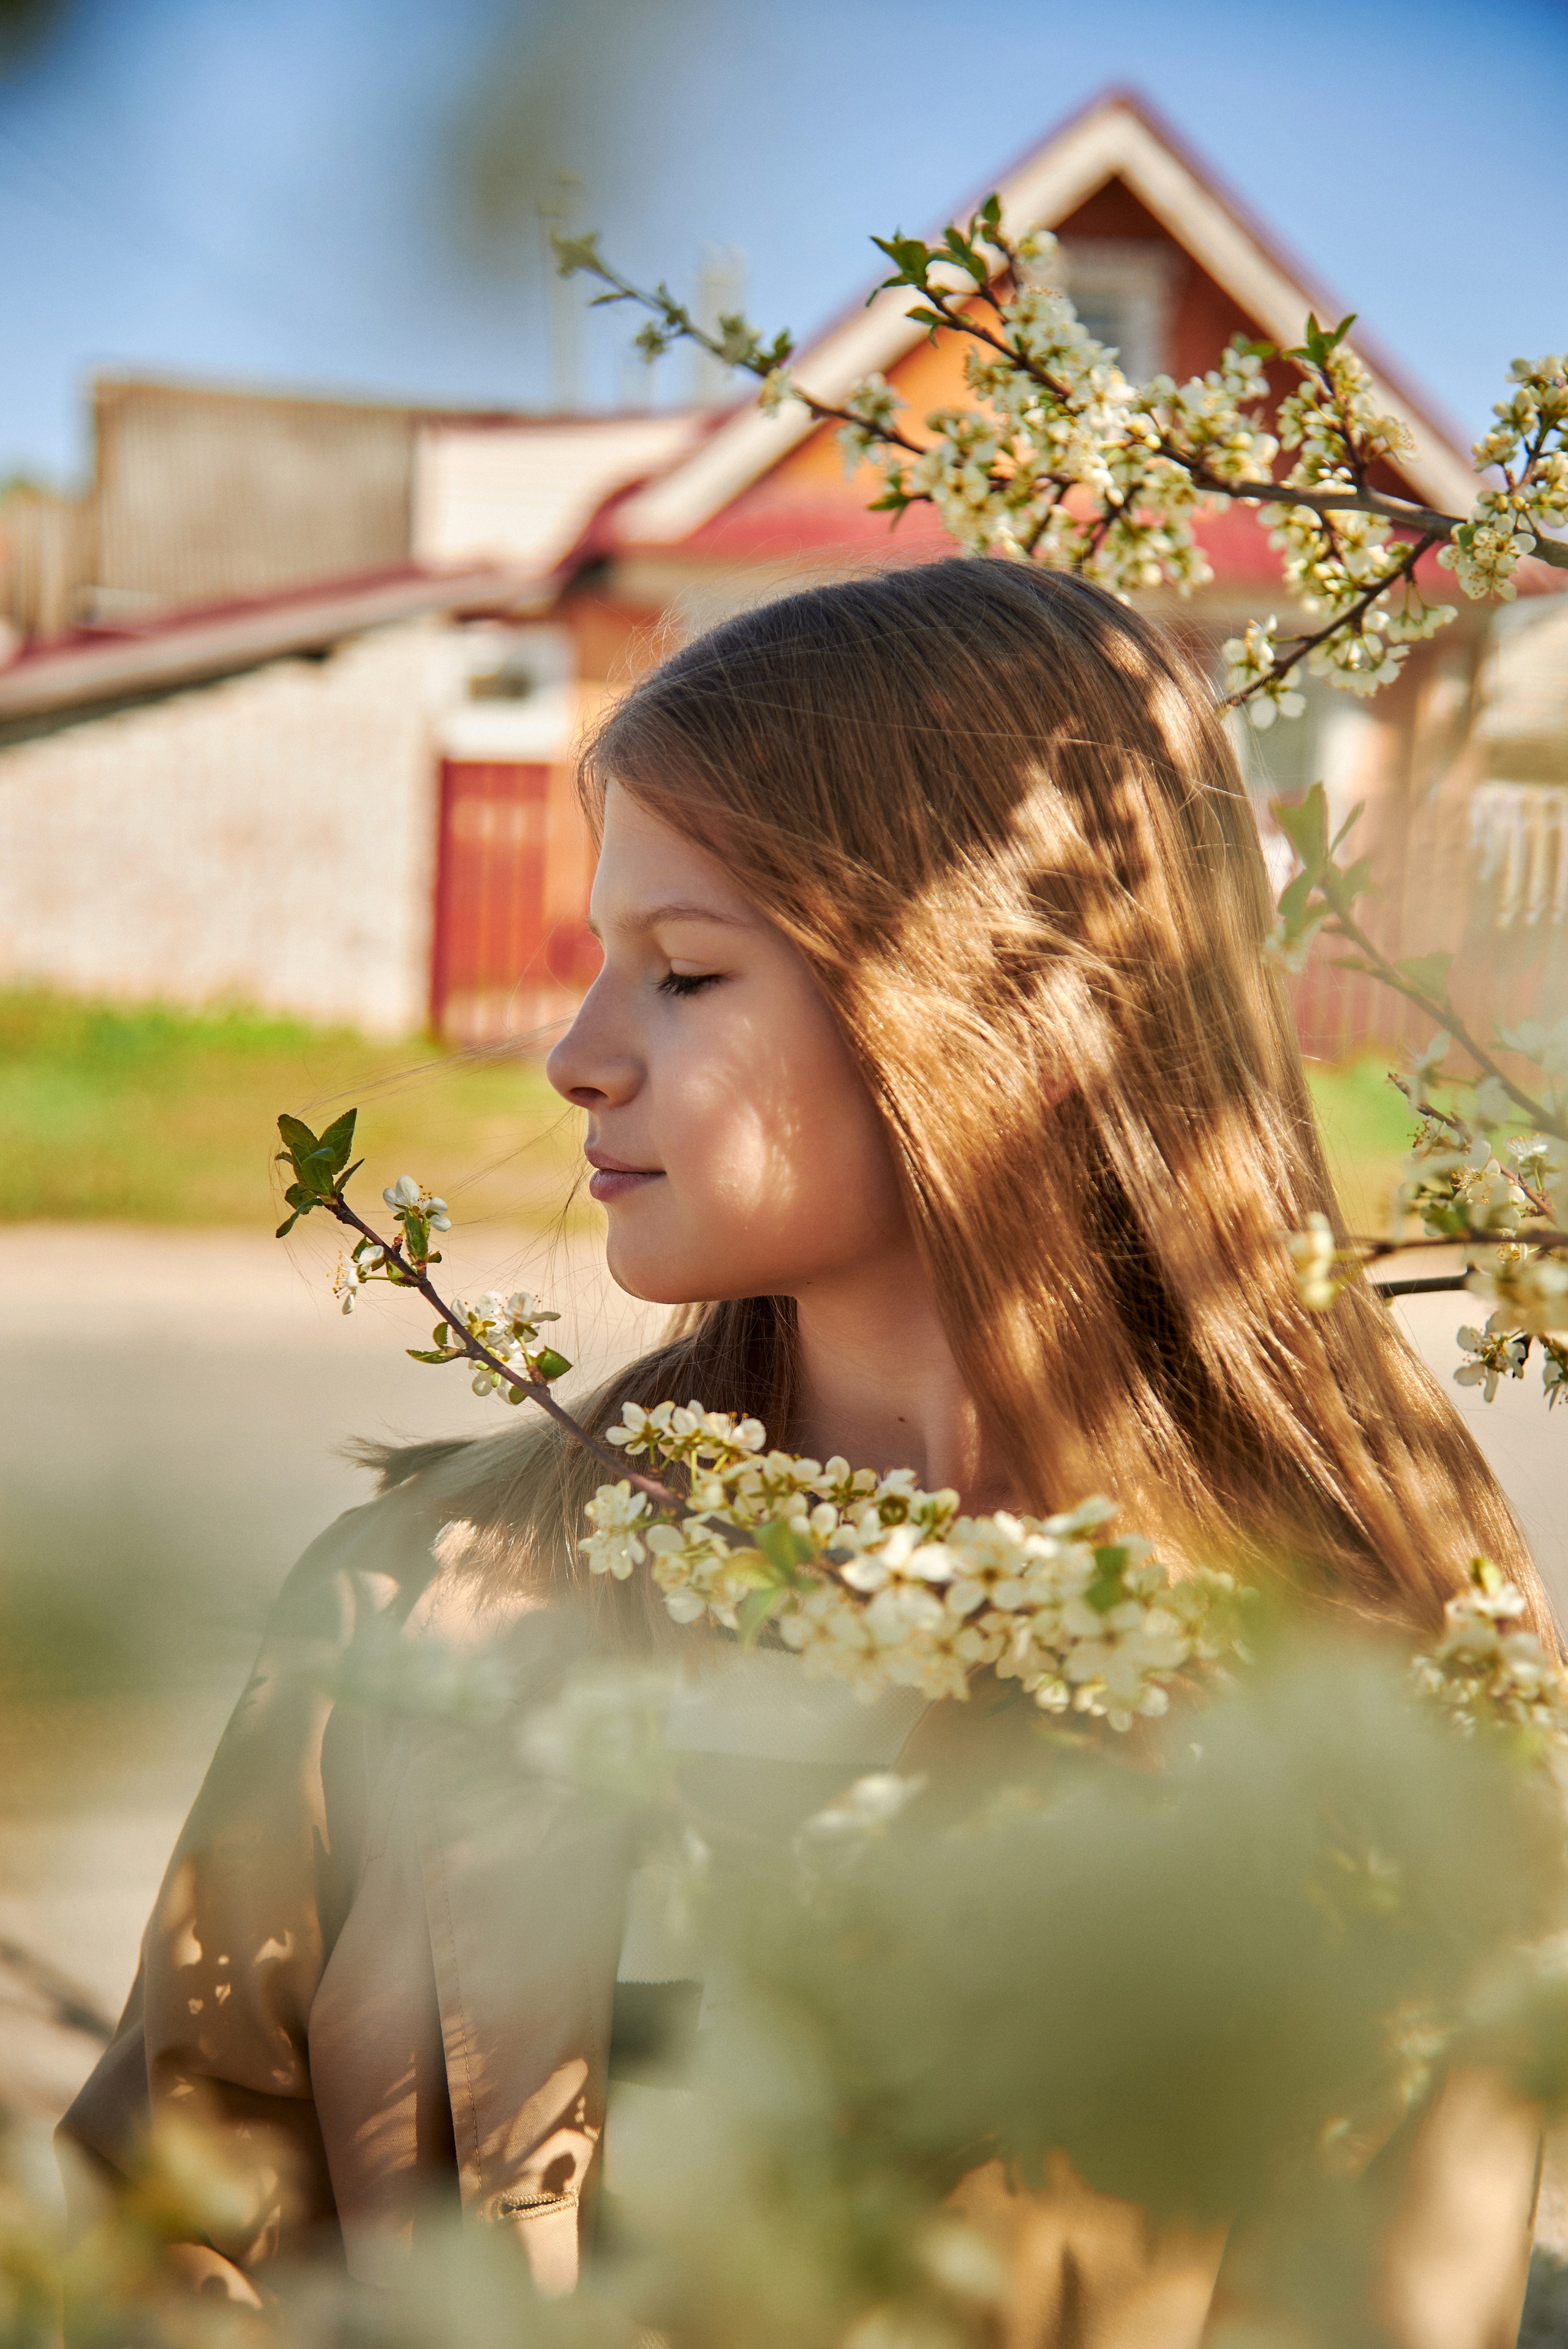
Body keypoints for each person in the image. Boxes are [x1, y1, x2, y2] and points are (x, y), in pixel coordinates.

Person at [60, 560, 1553, 2341]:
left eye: (686, 973)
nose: (574, 1056)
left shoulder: (1375, 1679)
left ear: (1005, 1009)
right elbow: (150, 2238)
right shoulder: (417, 1600)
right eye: (599, 961)